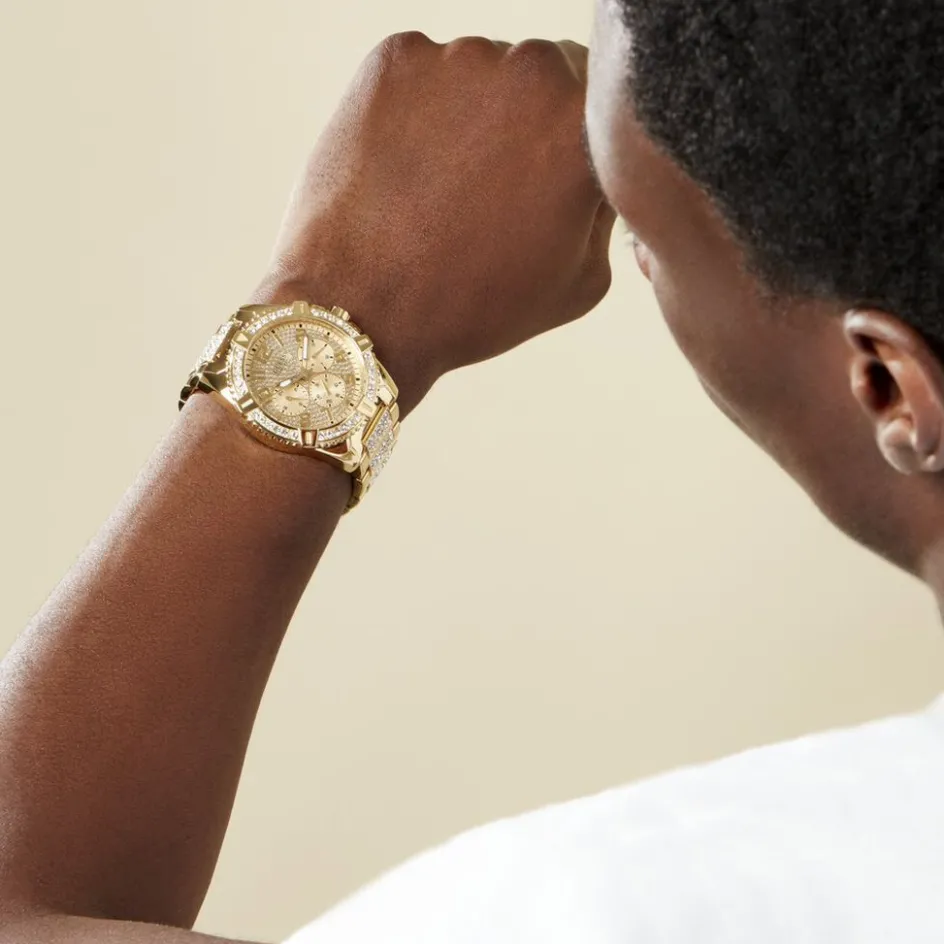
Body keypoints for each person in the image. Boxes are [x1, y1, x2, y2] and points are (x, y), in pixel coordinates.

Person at [2, 0, 944, 939]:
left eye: (645, 235)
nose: (640, 264)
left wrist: (341, 301)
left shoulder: (611, 909)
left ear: (888, 386)